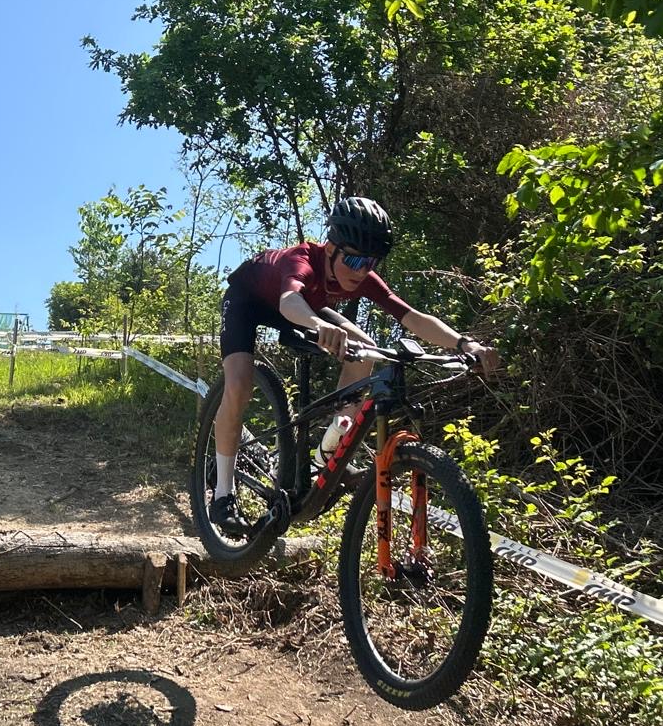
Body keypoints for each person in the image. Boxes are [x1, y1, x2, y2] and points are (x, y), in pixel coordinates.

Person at [209, 196, 499, 535]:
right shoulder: (302, 260)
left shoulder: (361, 275)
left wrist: (466, 344)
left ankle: (329, 452)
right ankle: (223, 494)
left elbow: (411, 317)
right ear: (331, 247)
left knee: (367, 351)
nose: (362, 270)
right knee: (239, 383)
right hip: (250, 300)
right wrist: (319, 325)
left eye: (371, 262)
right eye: (355, 259)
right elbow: (289, 300)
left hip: (305, 304)